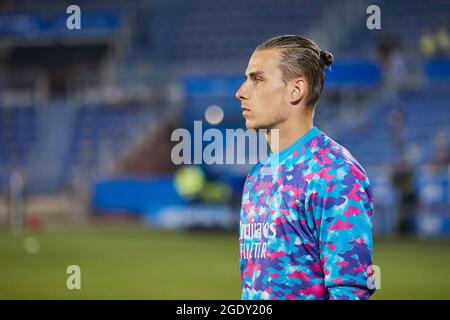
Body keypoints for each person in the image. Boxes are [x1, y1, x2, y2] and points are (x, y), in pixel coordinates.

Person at [235, 35, 375, 300]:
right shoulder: (256, 176)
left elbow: (350, 291)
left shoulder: (335, 173)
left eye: (258, 79)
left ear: (296, 90)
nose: (241, 91)